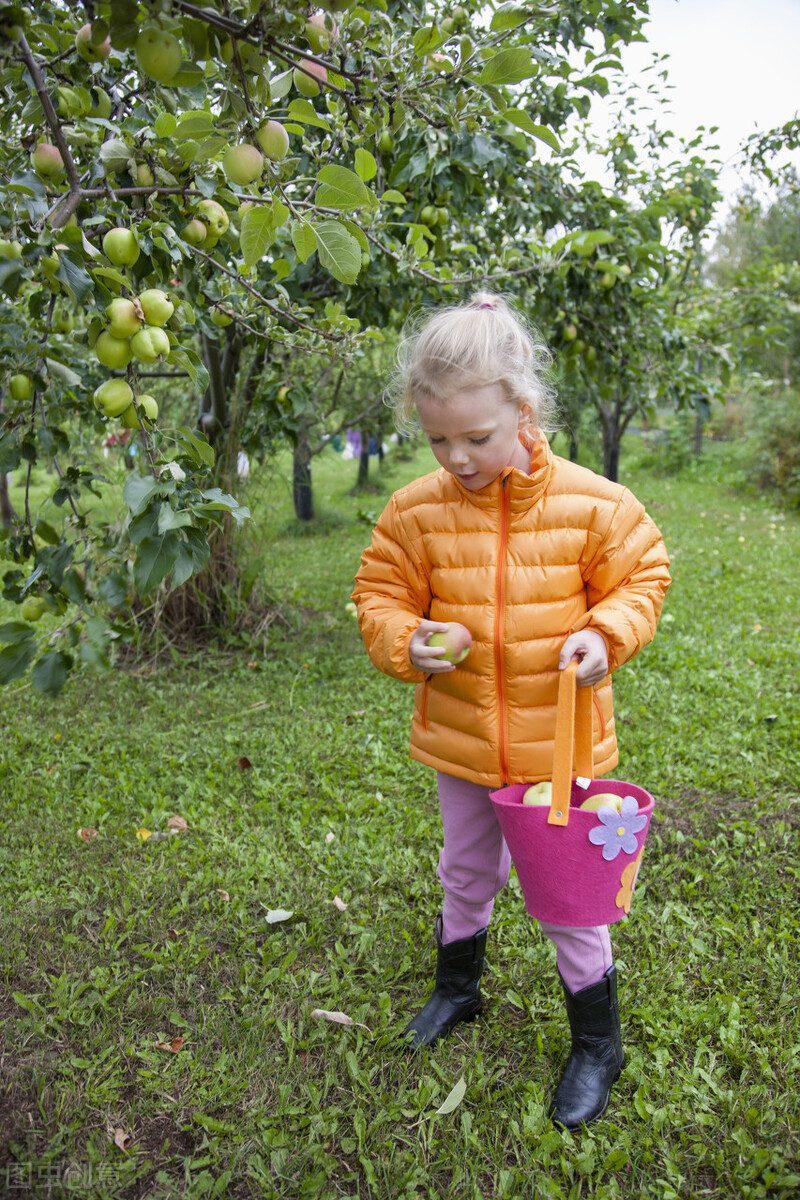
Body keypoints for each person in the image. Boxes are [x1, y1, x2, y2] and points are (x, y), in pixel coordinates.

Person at [351, 291, 671, 1131]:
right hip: (463, 742)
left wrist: (606, 632)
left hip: (556, 748)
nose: (457, 457)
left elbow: (644, 576)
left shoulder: (595, 505)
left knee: (568, 897)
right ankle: (458, 988)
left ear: (523, 410)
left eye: (477, 437)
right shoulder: (415, 511)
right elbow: (380, 593)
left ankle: (597, 1043)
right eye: (438, 440)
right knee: (466, 870)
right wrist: (407, 640)